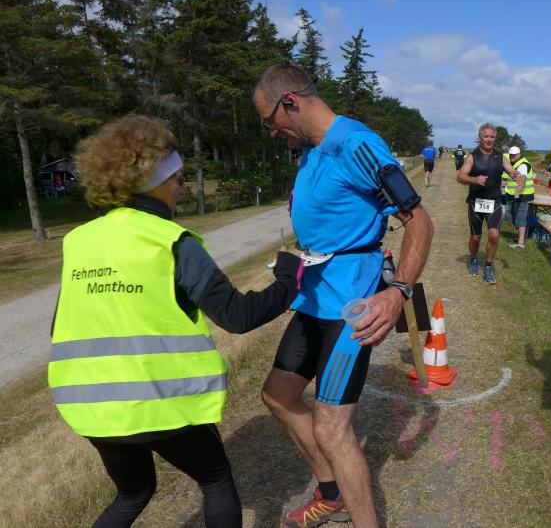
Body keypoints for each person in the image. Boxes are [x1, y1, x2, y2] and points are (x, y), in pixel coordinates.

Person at [48, 115, 303, 527]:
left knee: (133, 493)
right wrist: (289, 278)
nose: (182, 190)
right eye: (179, 179)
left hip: (90, 407)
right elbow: (238, 316)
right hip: (159, 400)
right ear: (155, 182)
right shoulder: (169, 240)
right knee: (216, 479)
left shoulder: (79, 241)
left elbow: (62, 325)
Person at [253, 64, 433, 528]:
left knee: (331, 427)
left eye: (270, 120)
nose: (271, 131)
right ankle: (332, 495)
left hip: (350, 304)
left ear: (290, 101)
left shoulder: (358, 144)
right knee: (278, 395)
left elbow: (419, 222)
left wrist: (397, 293)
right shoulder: (312, 151)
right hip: (313, 296)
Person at [456, 123, 524, 284]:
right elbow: (460, 176)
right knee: (476, 237)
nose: (489, 139)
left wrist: (518, 176)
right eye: (486, 136)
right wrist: (475, 179)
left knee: (494, 236)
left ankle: (488, 266)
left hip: (495, 201)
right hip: (476, 201)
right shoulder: (472, 157)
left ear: (495, 139)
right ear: (479, 138)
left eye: (492, 137)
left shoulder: (500, 157)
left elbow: (512, 171)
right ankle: (474, 260)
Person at [504, 146, 535, 248]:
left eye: (514, 155)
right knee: (515, 216)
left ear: (519, 154)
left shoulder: (523, 164)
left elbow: (522, 178)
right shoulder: (514, 163)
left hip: (522, 196)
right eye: (511, 155)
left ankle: (520, 243)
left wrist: (518, 190)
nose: (512, 157)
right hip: (516, 195)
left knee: (520, 217)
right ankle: (518, 238)